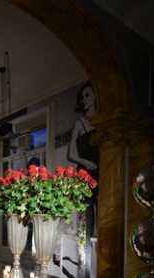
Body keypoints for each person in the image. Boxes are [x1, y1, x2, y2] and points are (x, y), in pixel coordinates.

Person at [66, 80, 98, 236]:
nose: (84, 100)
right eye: (82, 97)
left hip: (102, 168)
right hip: (86, 170)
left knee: (102, 208)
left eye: (87, 95)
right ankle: (86, 245)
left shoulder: (104, 120)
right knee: (87, 211)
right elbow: (70, 154)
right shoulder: (80, 124)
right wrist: (85, 162)